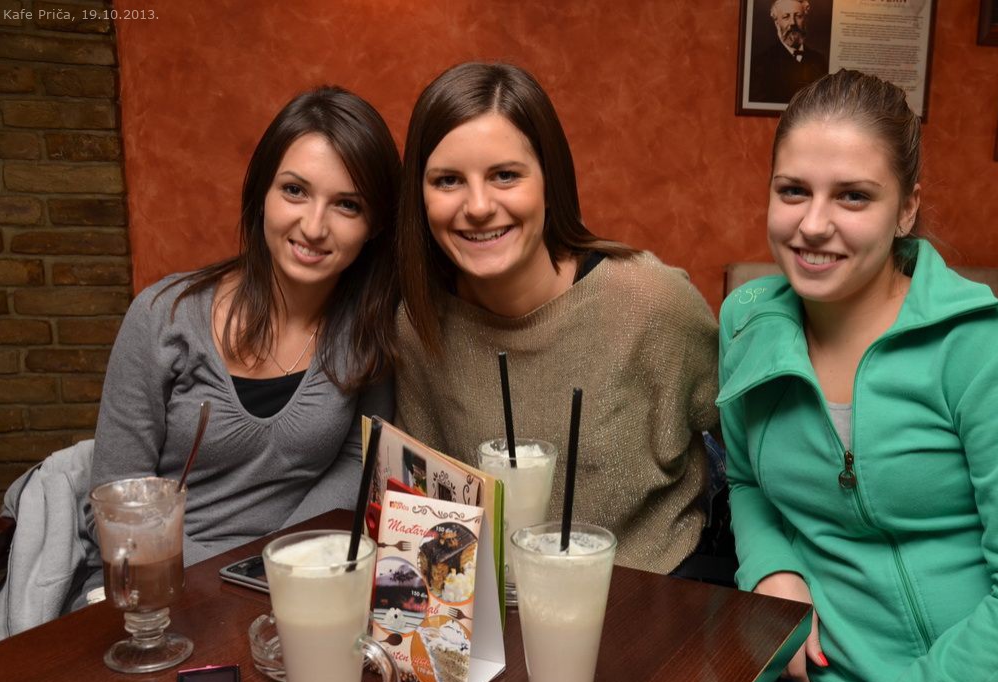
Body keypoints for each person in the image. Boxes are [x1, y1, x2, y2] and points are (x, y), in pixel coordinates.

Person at [703, 70, 998, 682]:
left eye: (853, 196)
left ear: (907, 208)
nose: (813, 224)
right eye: (793, 191)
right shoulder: (746, 323)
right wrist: (772, 572)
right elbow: (747, 478)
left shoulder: (990, 354)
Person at [395, 62, 719, 575]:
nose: (477, 206)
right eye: (448, 180)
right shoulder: (417, 326)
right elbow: (426, 515)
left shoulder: (652, 303)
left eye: (505, 175)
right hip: (495, 604)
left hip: (658, 589)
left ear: (551, 180)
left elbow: (755, 453)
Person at [84, 86, 402, 601]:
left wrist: (277, 565)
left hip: (301, 577)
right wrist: (222, 581)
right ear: (262, 194)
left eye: (347, 205)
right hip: (160, 581)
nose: (313, 226)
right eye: (294, 191)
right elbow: (116, 497)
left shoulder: (371, 329)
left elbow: (358, 460)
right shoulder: (163, 316)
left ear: (374, 225)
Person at [749, 0, 829, 105]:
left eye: (798, 16)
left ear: (805, 20)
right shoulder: (761, 63)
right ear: (776, 23)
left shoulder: (819, 60)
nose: (793, 23)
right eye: (786, 17)